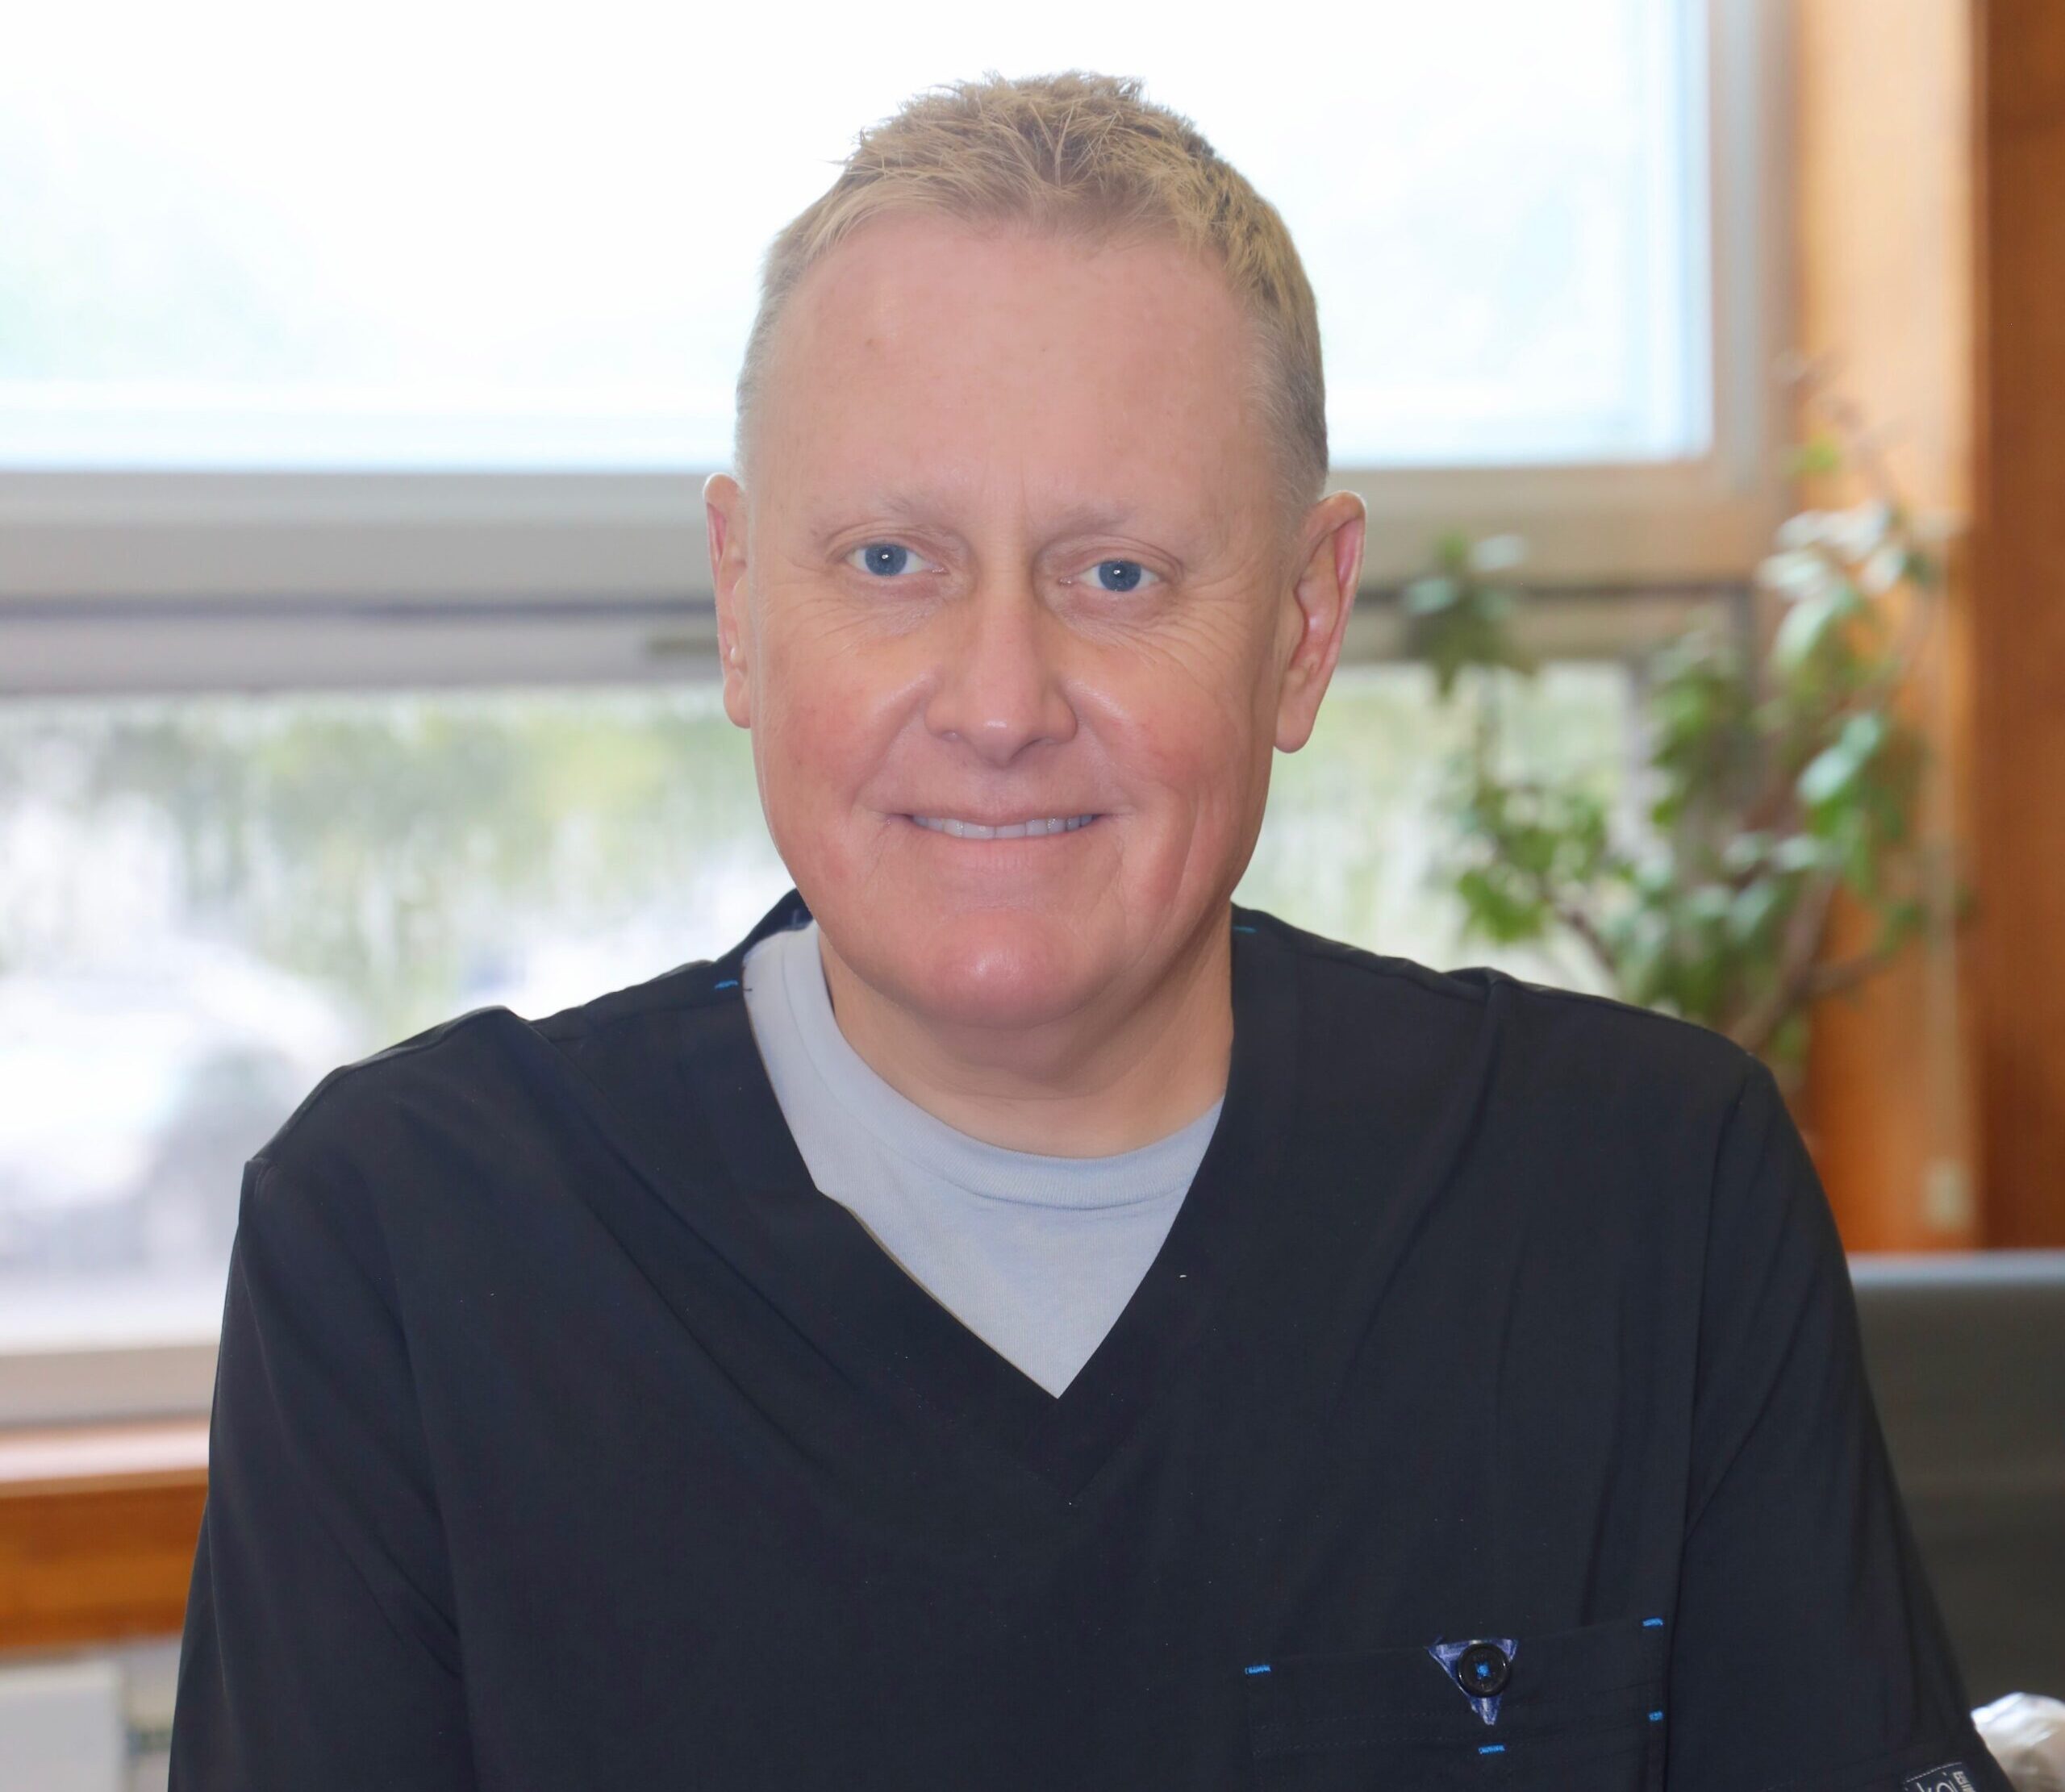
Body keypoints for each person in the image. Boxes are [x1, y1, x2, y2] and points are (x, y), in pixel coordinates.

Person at [168, 69, 2005, 1791]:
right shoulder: (405, 1248)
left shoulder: (1643, 1199)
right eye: (891, 561)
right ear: (740, 604)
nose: (997, 697)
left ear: (1299, 625)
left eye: (1114, 574)